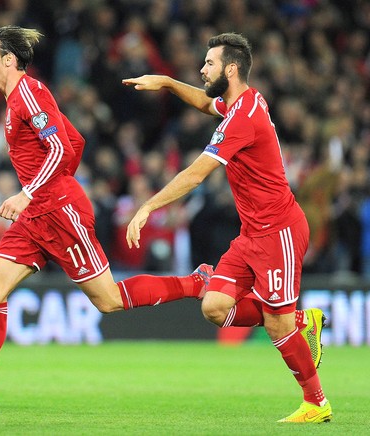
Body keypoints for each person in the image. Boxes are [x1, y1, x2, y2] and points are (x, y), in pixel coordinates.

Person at [0, 25, 213, 413]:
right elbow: (75, 141)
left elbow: (61, 146)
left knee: (108, 301)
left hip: (60, 213)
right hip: (37, 215)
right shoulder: (16, 100)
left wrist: (33, 191)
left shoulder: (28, 93)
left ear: (9, 60)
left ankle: (196, 283)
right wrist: (43, 189)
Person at [122, 33, 331, 423]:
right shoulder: (241, 103)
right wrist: (167, 83)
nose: (202, 69)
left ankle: (316, 403)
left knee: (277, 326)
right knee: (215, 307)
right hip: (251, 233)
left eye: (209, 63)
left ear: (230, 69)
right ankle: (304, 320)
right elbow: (204, 101)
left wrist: (147, 206)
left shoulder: (243, 117)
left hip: (279, 232)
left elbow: (197, 174)